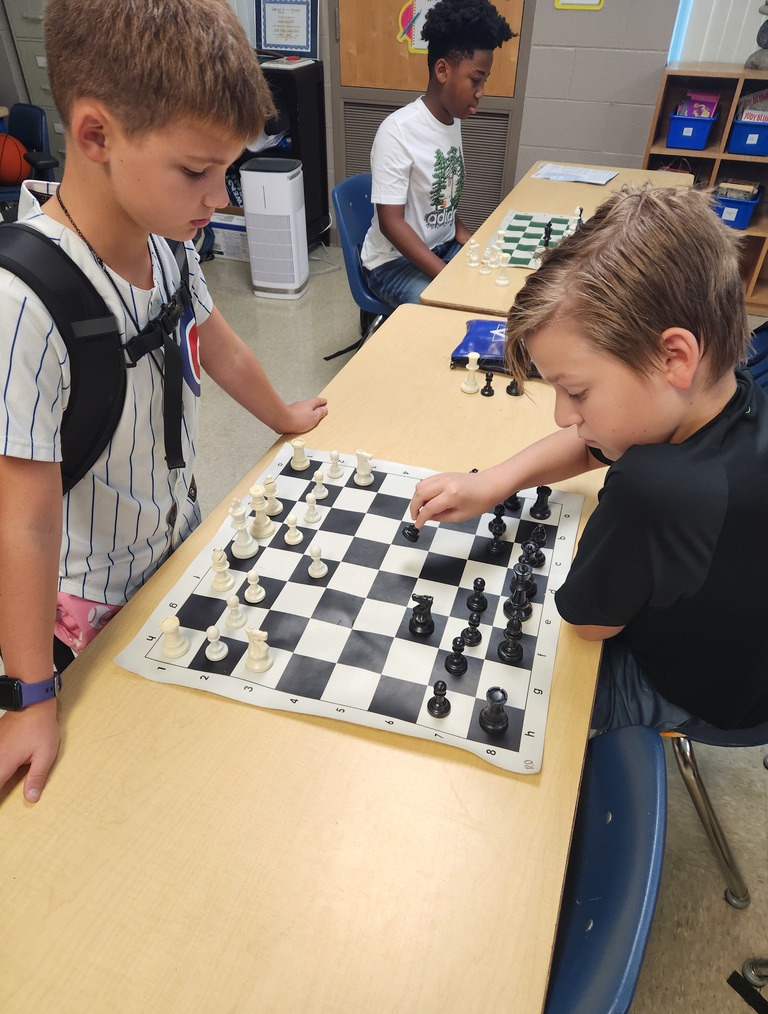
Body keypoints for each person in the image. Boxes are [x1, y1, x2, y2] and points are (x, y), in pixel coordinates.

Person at [0, 0, 328, 804]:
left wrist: (285, 416)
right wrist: (31, 698)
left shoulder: (167, 243)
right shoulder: (21, 303)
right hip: (83, 621)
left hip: (172, 557)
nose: (219, 197)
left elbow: (218, 345)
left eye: (225, 170)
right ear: (96, 136)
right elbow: (23, 521)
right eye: (197, 170)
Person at [409, 184, 768, 734]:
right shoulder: (731, 389)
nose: (561, 415)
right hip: (749, 669)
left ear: (674, 357)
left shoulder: (652, 487)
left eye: (576, 391)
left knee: (505, 697)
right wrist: (496, 482)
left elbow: (589, 625)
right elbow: (599, 441)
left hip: (703, 697)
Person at [360, 0, 514, 308]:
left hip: (441, 248)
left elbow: (442, 190)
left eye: (484, 81)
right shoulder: (397, 131)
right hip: (391, 264)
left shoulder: (452, 121)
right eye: (476, 79)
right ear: (442, 70)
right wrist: (445, 277)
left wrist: (463, 234)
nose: (481, 90)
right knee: (449, 311)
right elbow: (391, 223)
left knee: (496, 288)